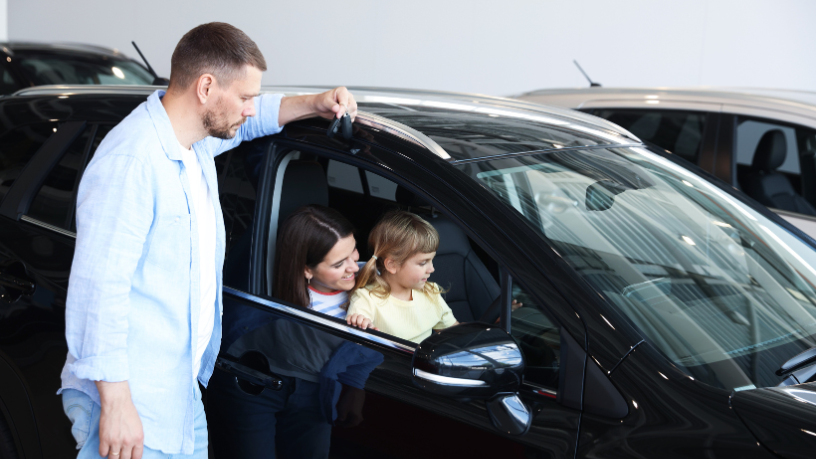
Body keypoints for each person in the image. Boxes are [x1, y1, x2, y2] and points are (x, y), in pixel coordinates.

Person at [58, 23, 358, 459]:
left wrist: (314, 103)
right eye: (244, 98)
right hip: (130, 399)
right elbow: (96, 291)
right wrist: (117, 403)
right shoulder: (133, 161)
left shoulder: (192, 143)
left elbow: (256, 123)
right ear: (205, 87)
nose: (251, 109)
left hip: (177, 393)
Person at [208, 204, 382, 459]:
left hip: (316, 391)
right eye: (339, 263)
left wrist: (355, 387)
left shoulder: (372, 288)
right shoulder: (265, 291)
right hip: (252, 385)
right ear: (306, 269)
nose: (354, 267)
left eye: (353, 251)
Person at [346, 211, 459, 342]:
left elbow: (455, 334)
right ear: (392, 265)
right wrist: (362, 324)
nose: (432, 269)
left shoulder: (431, 292)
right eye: (423, 263)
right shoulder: (367, 300)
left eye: (432, 260)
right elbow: (357, 339)